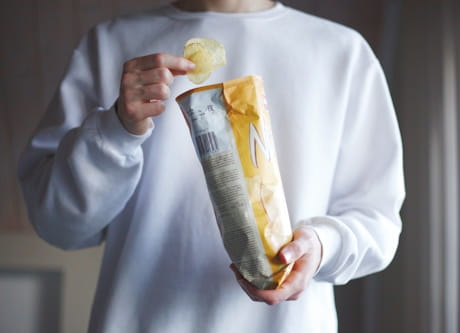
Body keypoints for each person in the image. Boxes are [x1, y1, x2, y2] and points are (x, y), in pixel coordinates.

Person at [18, 0, 405, 332]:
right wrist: (115, 128)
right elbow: (59, 224)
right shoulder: (107, 45)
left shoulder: (343, 53)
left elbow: (377, 220)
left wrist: (321, 245)